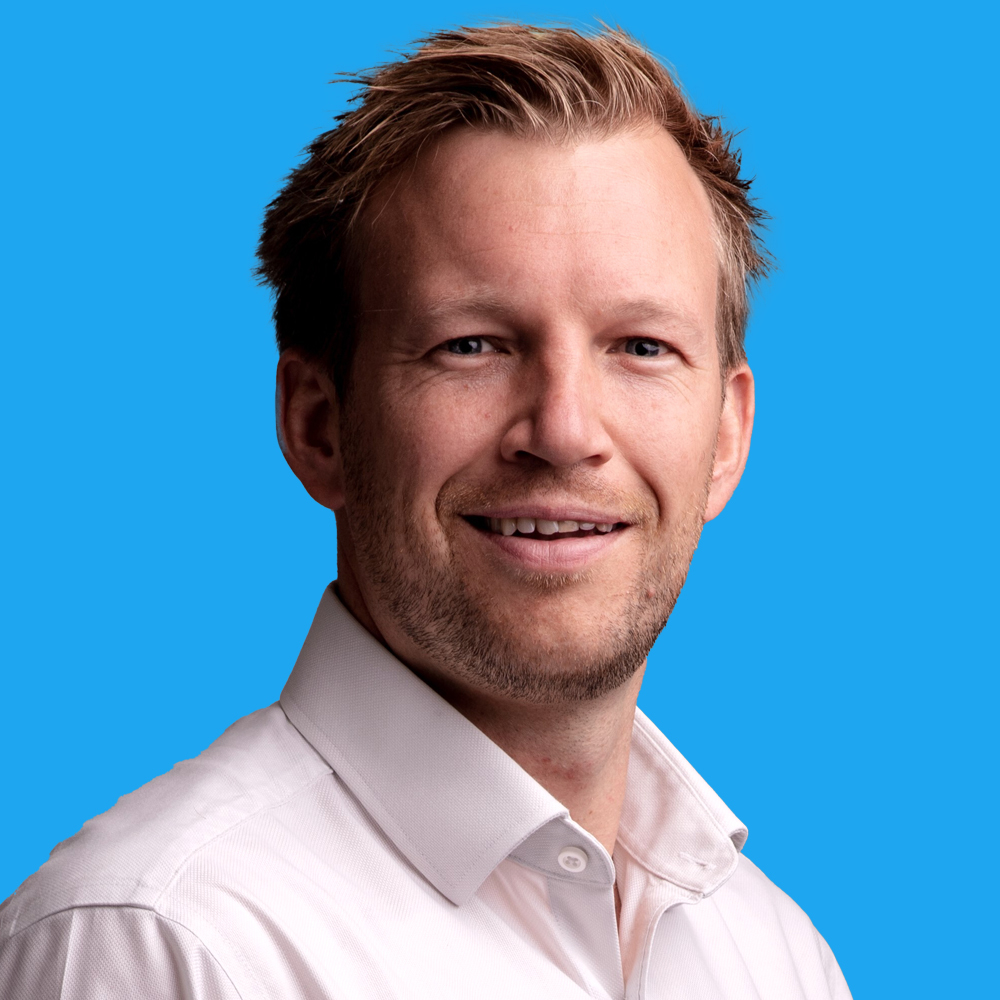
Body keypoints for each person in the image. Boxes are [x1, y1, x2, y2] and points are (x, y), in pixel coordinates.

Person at [0, 23, 852, 1000]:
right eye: (472, 345)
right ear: (320, 425)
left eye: (641, 347)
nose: (564, 430)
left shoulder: (774, 956)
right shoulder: (161, 947)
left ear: (727, 437)